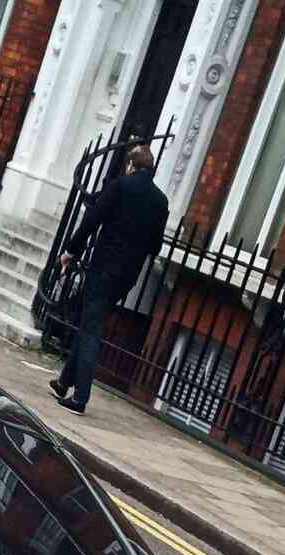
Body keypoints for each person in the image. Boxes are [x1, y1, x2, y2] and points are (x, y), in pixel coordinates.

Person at [50, 145, 170, 413]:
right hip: (127, 276)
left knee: (91, 329)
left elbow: (93, 220)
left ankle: (80, 398)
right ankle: (63, 382)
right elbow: (155, 247)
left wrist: (70, 250)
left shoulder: (120, 186)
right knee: (90, 321)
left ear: (131, 165)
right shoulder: (161, 202)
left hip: (104, 268)